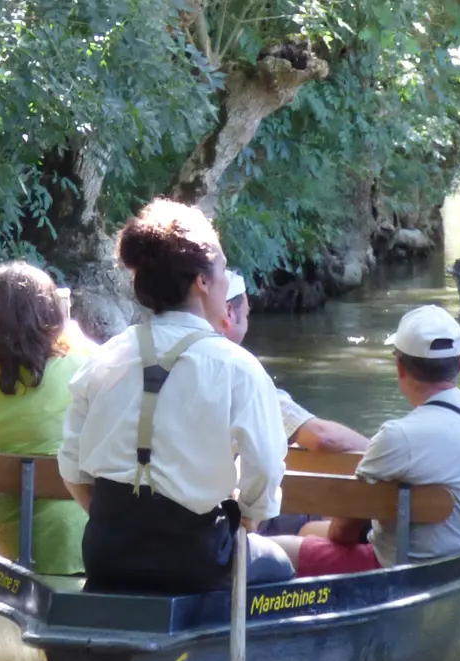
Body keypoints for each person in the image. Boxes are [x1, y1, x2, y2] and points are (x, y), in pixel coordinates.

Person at [58, 200, 296, 593]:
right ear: (202, 281)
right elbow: (267, 468)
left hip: (106, 553)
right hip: (196, 558)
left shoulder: (103, 359)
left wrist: (112, 523)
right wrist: (250, 521)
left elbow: (70, 464)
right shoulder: (237, 367)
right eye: (222, 269)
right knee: (280, 564)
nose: (226, 280)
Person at [273, 305, 460, 578]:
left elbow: (341, 533)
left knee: (279, 546)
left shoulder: (398, 436)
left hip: (397, 569)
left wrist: (308, 532)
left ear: (399, 367)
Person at [0, 263, 92, 574]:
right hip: (87, 545)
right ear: (52, 318)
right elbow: (115, 369)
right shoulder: (82, 368)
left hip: (17, 547)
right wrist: (75, 337)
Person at [218, 271, 368, 453]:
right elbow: (321, 437)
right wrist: (381, 453)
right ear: (229, 313)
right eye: (247, 315)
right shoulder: (238, 373)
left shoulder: (181, 358)